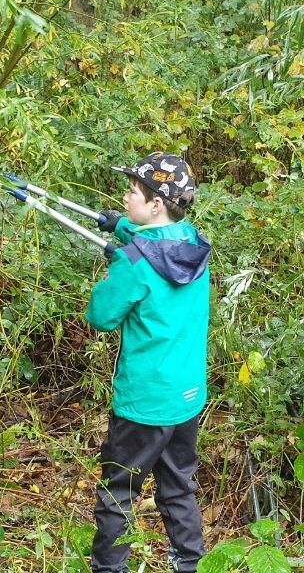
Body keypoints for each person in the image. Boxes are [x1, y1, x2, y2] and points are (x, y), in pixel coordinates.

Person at [85, 152, 211, 572]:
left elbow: (101, 317)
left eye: (132, 192)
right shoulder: (193, 244)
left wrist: (115, 271)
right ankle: (189, 564)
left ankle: (109, 568)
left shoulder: (133, 263)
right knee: (178, 487)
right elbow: (160, 242)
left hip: (143, 403)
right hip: (186, 397)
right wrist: (121, 226)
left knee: (118, 492)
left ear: (156, 204)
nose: (125, 197)